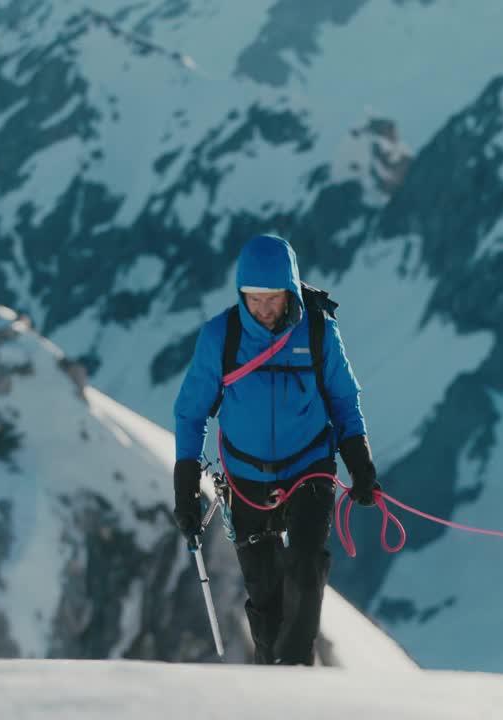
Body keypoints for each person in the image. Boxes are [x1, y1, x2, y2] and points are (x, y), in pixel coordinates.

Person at [171, 233, 379, 665]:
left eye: (274, 299)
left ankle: (296, 672)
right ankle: (274, 688)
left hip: (310, 466)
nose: (264, 310)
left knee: (304, 565)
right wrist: (185, 487)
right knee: (266, 598)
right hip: (245, 478)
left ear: (291, 290)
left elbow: (343, 399)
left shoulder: (319, 332)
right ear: (241, 294)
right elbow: (191, 413)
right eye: (254, 299)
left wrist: (360, 462)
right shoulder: (221, 337)